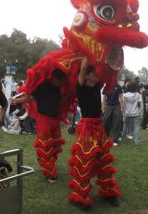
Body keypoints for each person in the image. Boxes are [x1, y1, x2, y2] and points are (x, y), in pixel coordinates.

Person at [67, 57, 121, 209]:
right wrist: (87, 53)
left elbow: (109, 72)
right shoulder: (81, 87)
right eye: (94, 73)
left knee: (104, 160)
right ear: (87, 75)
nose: (97, 75)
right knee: (85, 162)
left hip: (99, 127)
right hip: (86, 128)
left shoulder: (97, 86)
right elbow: (83, 69)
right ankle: (81, 197)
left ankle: (109, 193)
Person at [11, 68, 67, 182]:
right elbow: (31, 97)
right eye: (60, 81)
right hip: (44, 120)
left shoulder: (60, 87)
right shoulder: (43, 85)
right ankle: (50, 173)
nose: (62, 83)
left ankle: (44, 160)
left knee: (56, 145)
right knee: (45, 145)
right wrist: (18, 101)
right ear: (55, 78)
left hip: (55, 120)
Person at [102, 77, 124, 146]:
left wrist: (122, 106)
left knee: (116, 122)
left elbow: (121, 97)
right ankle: (104, 137)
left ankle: (115, 140)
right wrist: (103, 105)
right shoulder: (106, 87)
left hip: (116, 105)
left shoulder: (118, 87)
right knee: (105, 121)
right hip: (108, 105)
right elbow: (104, 97)